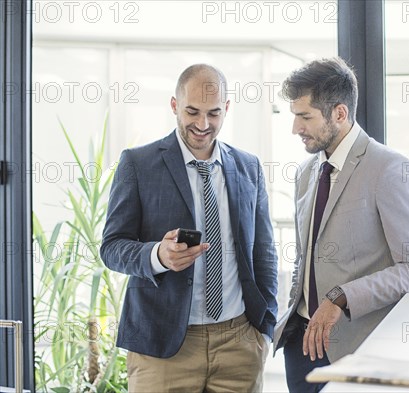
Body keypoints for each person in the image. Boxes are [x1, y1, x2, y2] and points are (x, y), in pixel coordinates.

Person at [100, 64, 278, 392]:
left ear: (227, 108)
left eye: (213, 113)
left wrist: (264, 327)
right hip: (163, 349)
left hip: (238, 344)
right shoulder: (138, 163)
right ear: (174, 106)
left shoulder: (248, 166)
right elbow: (111, 247)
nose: (202, 124)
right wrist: (157, 255)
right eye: (192, 112)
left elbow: (263, 251)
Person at [273, 57, 409, 393]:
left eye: (305, 117)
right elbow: (305, 259)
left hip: (356, 349)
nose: (295, 128)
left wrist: (340, 297)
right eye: (294, 117)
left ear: (340, 114)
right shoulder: (305, 174)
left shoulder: (389, 169)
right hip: (300, 346)